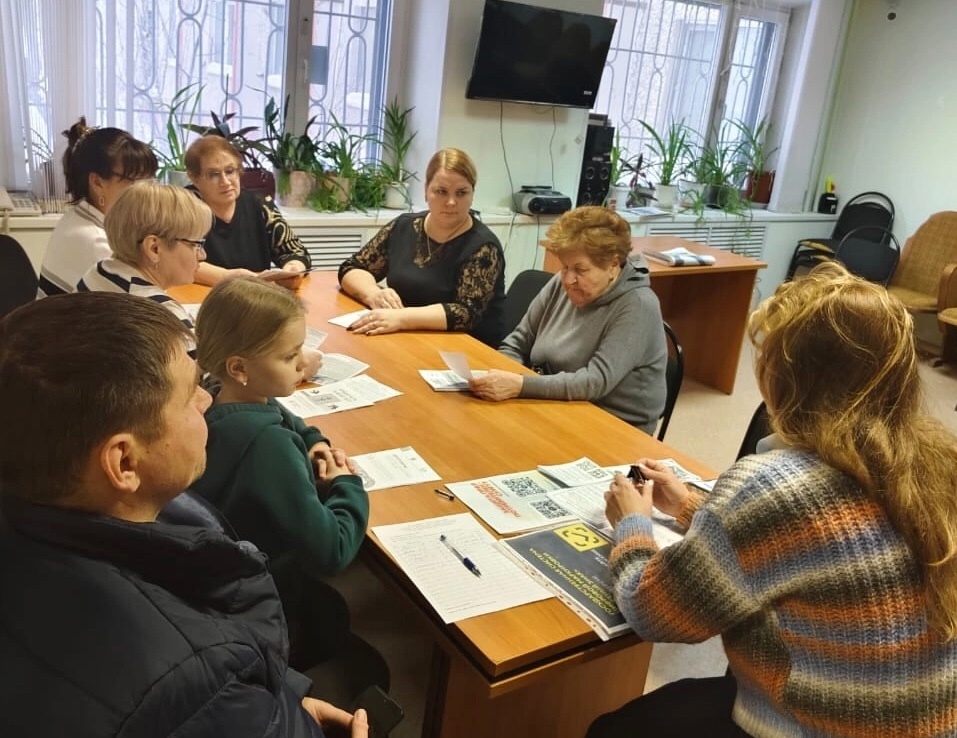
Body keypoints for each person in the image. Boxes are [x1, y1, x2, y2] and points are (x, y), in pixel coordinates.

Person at [592, 262, 957, 738]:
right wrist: (689, 507)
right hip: (921, 723)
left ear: (787, 377)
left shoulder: (771, 484)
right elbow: (822, 543)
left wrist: (631, 523)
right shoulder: (935, 460)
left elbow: (654, 612)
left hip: (813, 725)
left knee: (612, 729)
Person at [0, 291, 367, 738]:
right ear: (125, 462)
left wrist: (283, 701)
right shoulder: (196, 682)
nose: (207, 401)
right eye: (188, 395)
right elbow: (205, 692)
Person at [191, 277, 376, 675]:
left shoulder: (215, 390)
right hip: (266, 597)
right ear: (240, 367)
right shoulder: (268, 445)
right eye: (290, 356)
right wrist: (347, 484)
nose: (302, 364)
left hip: (220, 580)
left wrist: (313, 441)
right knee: (336, 612)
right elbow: (332, 550)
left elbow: (277, 411)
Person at [468, 206, 666, 435]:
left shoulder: (638, 305)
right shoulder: (561, 283)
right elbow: (518, 341)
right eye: (565, 267)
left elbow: (595, 382)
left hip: (612, 424)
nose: (569, 279)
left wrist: (520, 385)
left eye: (581, 270)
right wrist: (502, 376)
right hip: (556, 403)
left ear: (613, 265)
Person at [338, 147, 506, 347]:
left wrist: (401, 318)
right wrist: (373, 294)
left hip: (466, 348)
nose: (451, 202)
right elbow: (352, 268)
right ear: (426, 191)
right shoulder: (404, 226)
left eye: (462, 193)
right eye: (441, 191)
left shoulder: (484, 247)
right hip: (407, 338)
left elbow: (466, 313)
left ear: (472, 194)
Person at [37, 116, 157, 297]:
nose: (148, 190)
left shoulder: (81, 215)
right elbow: (137, 301)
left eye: (150, 180)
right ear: (97, 182)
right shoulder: (96, 241)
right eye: (135, 180)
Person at [77, 181, 209, 343]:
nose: (203, 255)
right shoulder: (164, 316)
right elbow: (199, 359)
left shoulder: (99, 270)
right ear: (154, 248)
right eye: (196, 245)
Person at [185, 136, 311, 287]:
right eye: (213, 174)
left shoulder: (260, 204)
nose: (225, 181)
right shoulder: (184, 207)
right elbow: (175, 261)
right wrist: (227, 277)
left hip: (253, 294)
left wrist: (293, 269)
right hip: (199, 293)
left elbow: (296, 252)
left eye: (230, 171)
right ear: (195, 178)